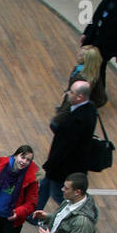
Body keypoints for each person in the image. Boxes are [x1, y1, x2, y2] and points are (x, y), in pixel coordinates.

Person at [37, 81, 96, 212]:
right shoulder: (90, 109)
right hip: (68, 165)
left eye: (71, 92)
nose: (67, 93)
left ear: (80, 97)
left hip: (65, 168)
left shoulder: (77, 121)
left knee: (58, 193)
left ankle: (76, 214)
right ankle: (34, 212)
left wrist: (47, 166)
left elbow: (63, 149)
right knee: (44, 186)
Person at [59, 45, 106, 110]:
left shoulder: (81, 78)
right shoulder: (92, 72)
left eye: (81, 55)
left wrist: (62, 113)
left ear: (86, 59)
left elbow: (72, 100)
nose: (78, 55)